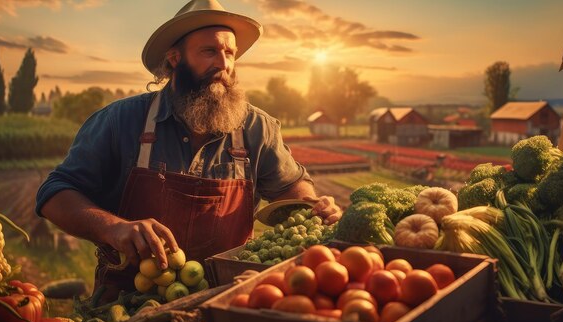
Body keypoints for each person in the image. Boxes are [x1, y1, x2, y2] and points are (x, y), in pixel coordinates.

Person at [35, 0, 342, 301]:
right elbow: (55, 194)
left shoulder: (255, 128)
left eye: (230, 53)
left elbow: (292, 187)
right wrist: (114, 229)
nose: (223, 65)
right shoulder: (121, 121)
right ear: (174, 58)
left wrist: (313, 206)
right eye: (209, 51)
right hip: (127, 302)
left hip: (226, 300)